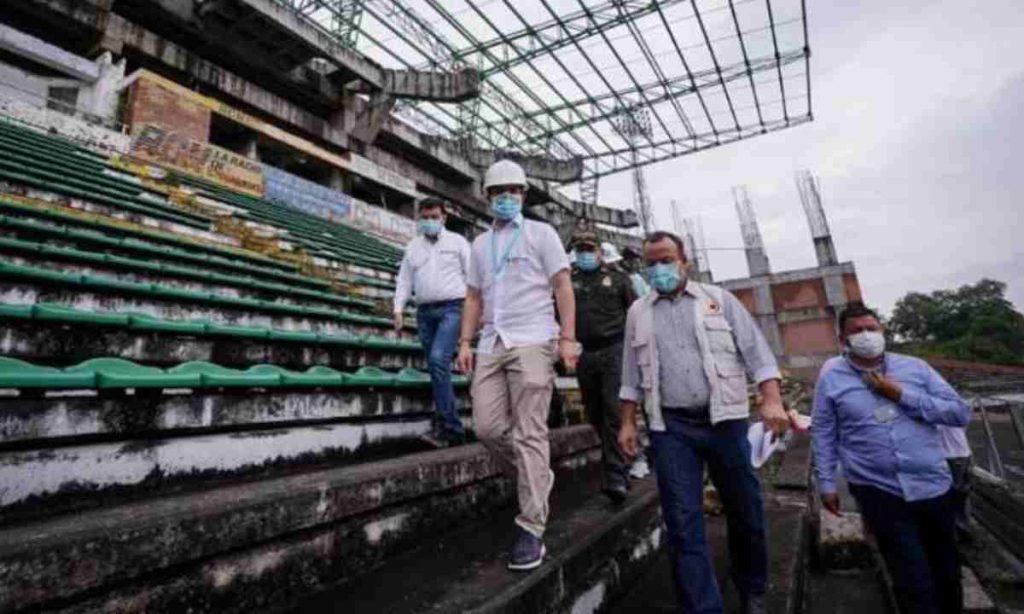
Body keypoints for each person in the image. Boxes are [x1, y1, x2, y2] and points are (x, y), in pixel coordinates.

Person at [618, 231, 790, 614]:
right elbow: (630, 374)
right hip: (671, 429)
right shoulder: (638, 313)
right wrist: (627, 422)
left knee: (745, 510)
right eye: (651, 263)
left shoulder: (718, 300)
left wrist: (772, 399)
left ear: (685, 261)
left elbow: (758, 354)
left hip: (726, 421)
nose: (659, 269)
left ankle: (753, 589)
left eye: (666, 260)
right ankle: (703, 606)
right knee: (682, 522)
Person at [455, 159, 578, 572]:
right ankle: (537, 478)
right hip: (492, 340)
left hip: (534, 338)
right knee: (487, 428)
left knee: (529, 432)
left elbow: (562, 286)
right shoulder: (479, 245)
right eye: (498, 191)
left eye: (513, 190)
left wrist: (567, 338)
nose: (506, 197)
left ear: (523, 195)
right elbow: (473, 297)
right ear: (487, 197)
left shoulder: (543, 235)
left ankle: (531, 526)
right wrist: (465, 342)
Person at [812, 302, 970, 614]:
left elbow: (959, 413)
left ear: (882, 331)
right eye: (857, 331)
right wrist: (826, 483)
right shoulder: (832, 378)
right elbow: (823, 430)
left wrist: (901, 395)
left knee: (947, 571)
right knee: (910, 577)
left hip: (932, 486)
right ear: (842, 340)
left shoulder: (916, 368)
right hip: (878, 489)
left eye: (871, 328)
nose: (866, 335)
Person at [393, 197, 471, 447]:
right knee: (437, 368)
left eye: (434, 217)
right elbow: (405, 280)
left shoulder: (458, 243)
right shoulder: (413, 247)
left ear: (444, 218)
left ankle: (452, 427)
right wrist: (398, 308)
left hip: (452, 308)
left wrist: (476, 314)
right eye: (425, 217)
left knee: (438, 360)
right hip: (424, 312)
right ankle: (444, 422)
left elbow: (473, 277)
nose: (430, 221)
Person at [570, 230, 636, 503]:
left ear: (599, 251)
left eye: (590, 248)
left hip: (615, 349)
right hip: (585, 352)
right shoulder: (569, 282)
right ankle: (621, 462)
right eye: (580, 249)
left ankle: (616, 476)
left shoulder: (618, 279)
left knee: (612, 410)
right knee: (595, 413)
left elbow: (635, 312)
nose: (585, 254)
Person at [940, 425, 973, 540]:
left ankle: (959, 527)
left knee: (956, 492)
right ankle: (962, 526)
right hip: (960, 452)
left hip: (952, 454)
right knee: (961, 492)